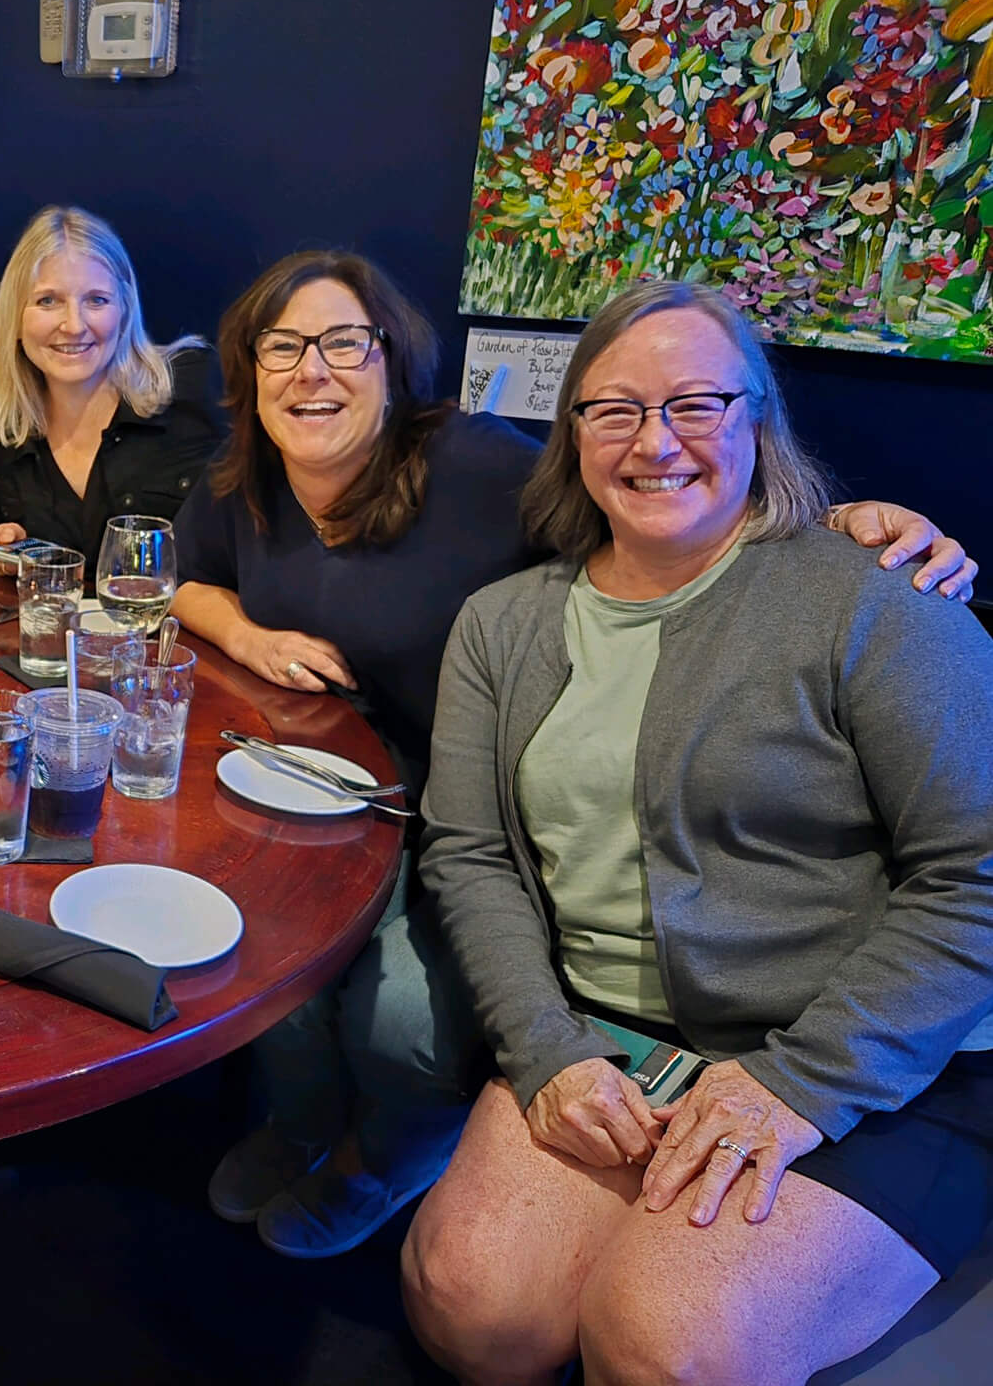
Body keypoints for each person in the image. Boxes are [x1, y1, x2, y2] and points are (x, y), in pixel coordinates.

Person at [169, 251, 976, 1261]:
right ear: (247, 369)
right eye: (281, 347)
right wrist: (248, 637)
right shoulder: (243, 471)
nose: (311, 370)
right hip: (304, 789)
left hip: (459, 806)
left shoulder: (477, 468)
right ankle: (295, 1126)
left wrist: (847, 527)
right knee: (262, 958)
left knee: (403, 1025)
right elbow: (186, 577)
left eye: (344, 342)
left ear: (393, 359)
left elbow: (672, 494)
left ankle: (383, 1158)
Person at [401, 280, 993, 1386]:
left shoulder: (875, 595)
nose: (653, 441)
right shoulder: (505, 622)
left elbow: (980, 870)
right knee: (472, 1301)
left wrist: (801, 1083)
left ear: (758, 419)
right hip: (614, 1030)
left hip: (873, 1057)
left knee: (665, 1339)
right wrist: (545, 1052)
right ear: (572, 432)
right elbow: (471, 856)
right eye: (614, 408)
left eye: (696, 404)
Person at [0, 206, 225, 562]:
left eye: (96, 300)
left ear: (124, 307)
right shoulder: (4, 430)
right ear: (14, 316)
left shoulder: (193, 386)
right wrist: (10, 551)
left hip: (178, 619)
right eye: (48, 301)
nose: (74, 325)